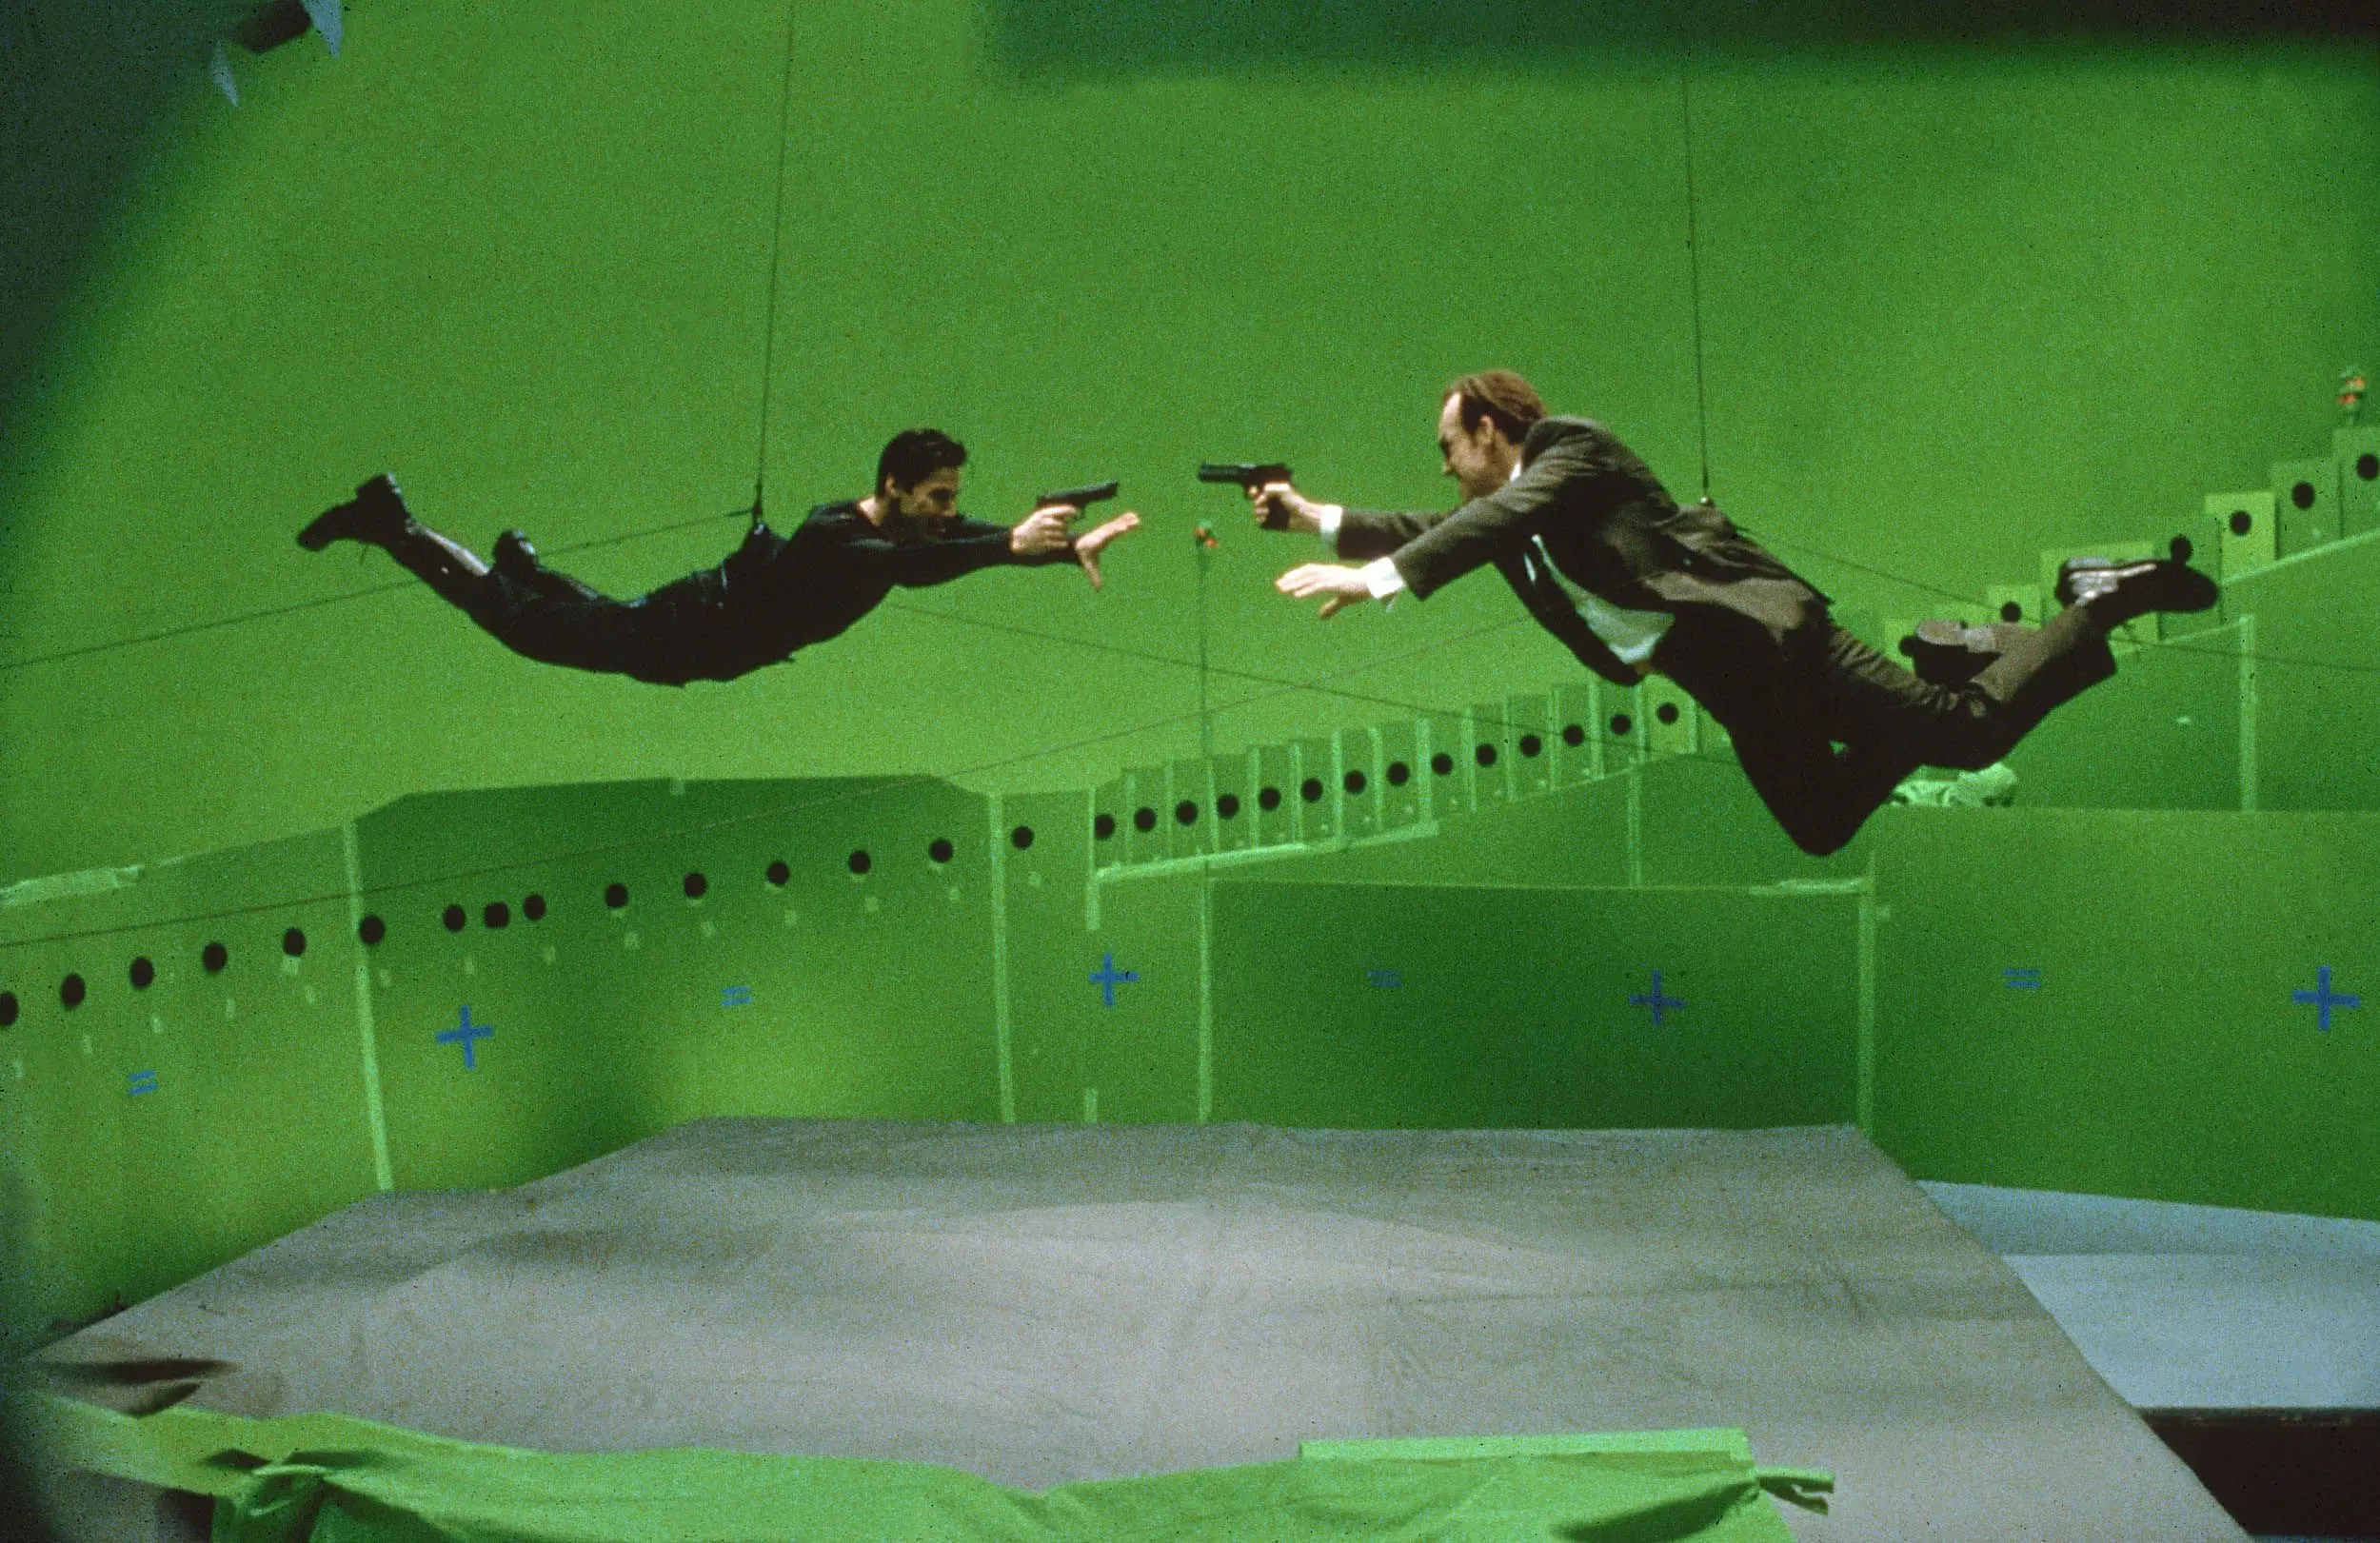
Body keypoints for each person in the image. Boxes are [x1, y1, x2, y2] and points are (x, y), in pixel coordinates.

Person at [1255, 369, 2215, 856]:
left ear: (1490, 428)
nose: (1442, 468)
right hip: (1729, 684)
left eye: (1447, 446)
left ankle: (2095, 604)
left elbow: (1486, 519)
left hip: (1774, 644)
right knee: (1819, 823)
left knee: (1966, 738)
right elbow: (1435, 525)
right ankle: (1942, 661)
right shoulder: (1512, 518)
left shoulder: (1573, 452)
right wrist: (1313, 517)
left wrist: (1377, 580)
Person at [296, 429, 1140, 686]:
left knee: (601, 620)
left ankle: (527, 568)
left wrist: (1061, 551)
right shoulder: (841, 539)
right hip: (688, 631)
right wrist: (1009, 545)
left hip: (699, 632)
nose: (950, 513)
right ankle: (397, 526)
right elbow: (920, 566)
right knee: (527, 632)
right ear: (893, 486)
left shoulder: (901, 528)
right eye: (938, 497)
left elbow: (955, 542)